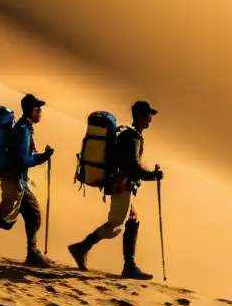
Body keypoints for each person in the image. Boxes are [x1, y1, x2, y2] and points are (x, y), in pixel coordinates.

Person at [68, 100, 163, 280]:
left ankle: (129, 264)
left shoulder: (128, 133)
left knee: (133, 219)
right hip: (122, 185)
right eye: (149, 115)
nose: (150, 119)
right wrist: (153, 175)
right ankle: (82, 248)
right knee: (115, 226)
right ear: (142, 117)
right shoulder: (132, 137)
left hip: (120, 183)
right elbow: (132, 167)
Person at [0, 93, 55, 267]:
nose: (40, 112)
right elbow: (23, 160)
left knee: (32, 215)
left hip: (17, 180)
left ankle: (32, 252)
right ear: (31, 111)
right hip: (14, 180)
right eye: (38, 109)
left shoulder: (24, 127)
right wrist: (42, 157)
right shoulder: (23, 130)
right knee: (5, 217)